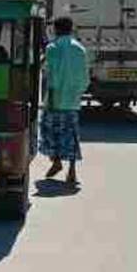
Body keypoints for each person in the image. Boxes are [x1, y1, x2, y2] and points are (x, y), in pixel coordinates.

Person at [40, 16, 88, 188]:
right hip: (73, 101)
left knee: (50, 132)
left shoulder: (52, 48)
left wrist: (48, 97)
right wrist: (77, 93)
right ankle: (72, 170)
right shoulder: (80, 49)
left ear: (56, 29)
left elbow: (48, 73)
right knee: (71, 135)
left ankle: (56, 161)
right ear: (71, 28)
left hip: (55, 99)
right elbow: (84, 77)